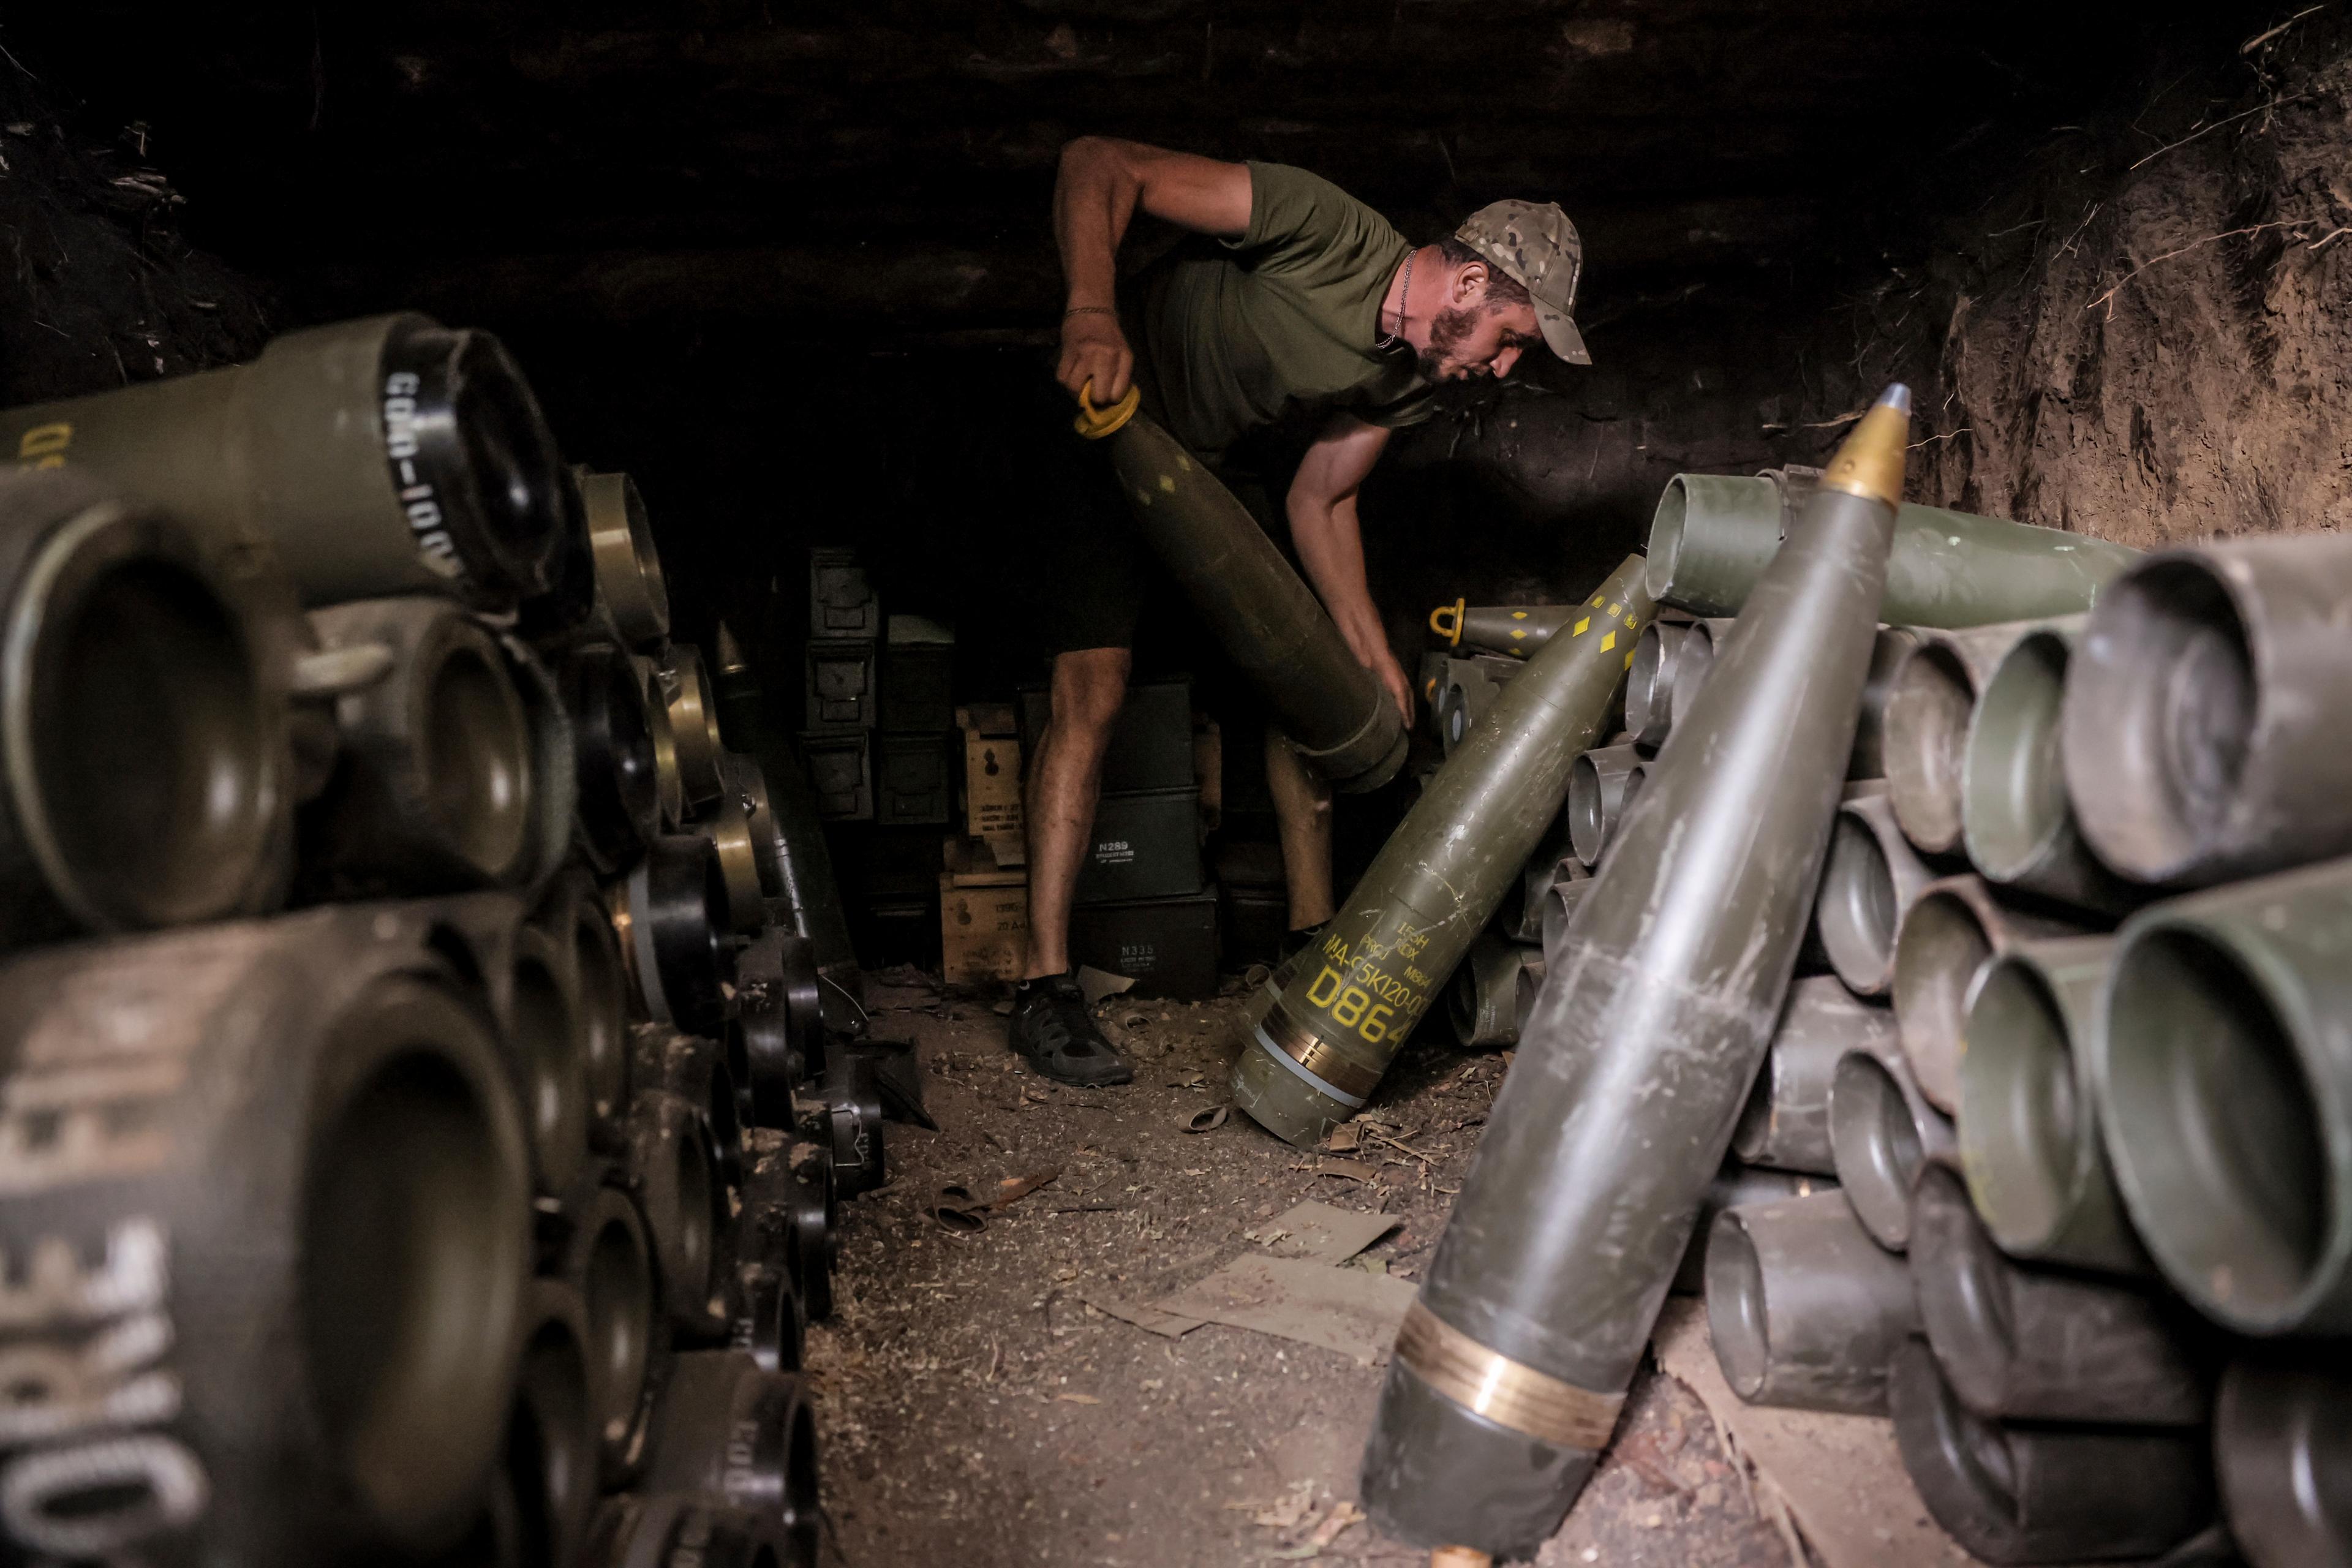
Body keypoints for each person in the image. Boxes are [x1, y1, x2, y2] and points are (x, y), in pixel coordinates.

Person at [1009, 137, 1590, 1085]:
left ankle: (1309, 939)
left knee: (1309, 690)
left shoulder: (1415, 382)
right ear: (1471, 284)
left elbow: (1321, 497)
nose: (1506, 368)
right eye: (1514, 337)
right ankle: (1043, 986)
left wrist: (1366, 651)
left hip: (1204, 467)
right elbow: (1096, 163)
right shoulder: (1324, 227)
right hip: (1104, 424)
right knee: (1094, 691)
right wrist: (1089, 314)